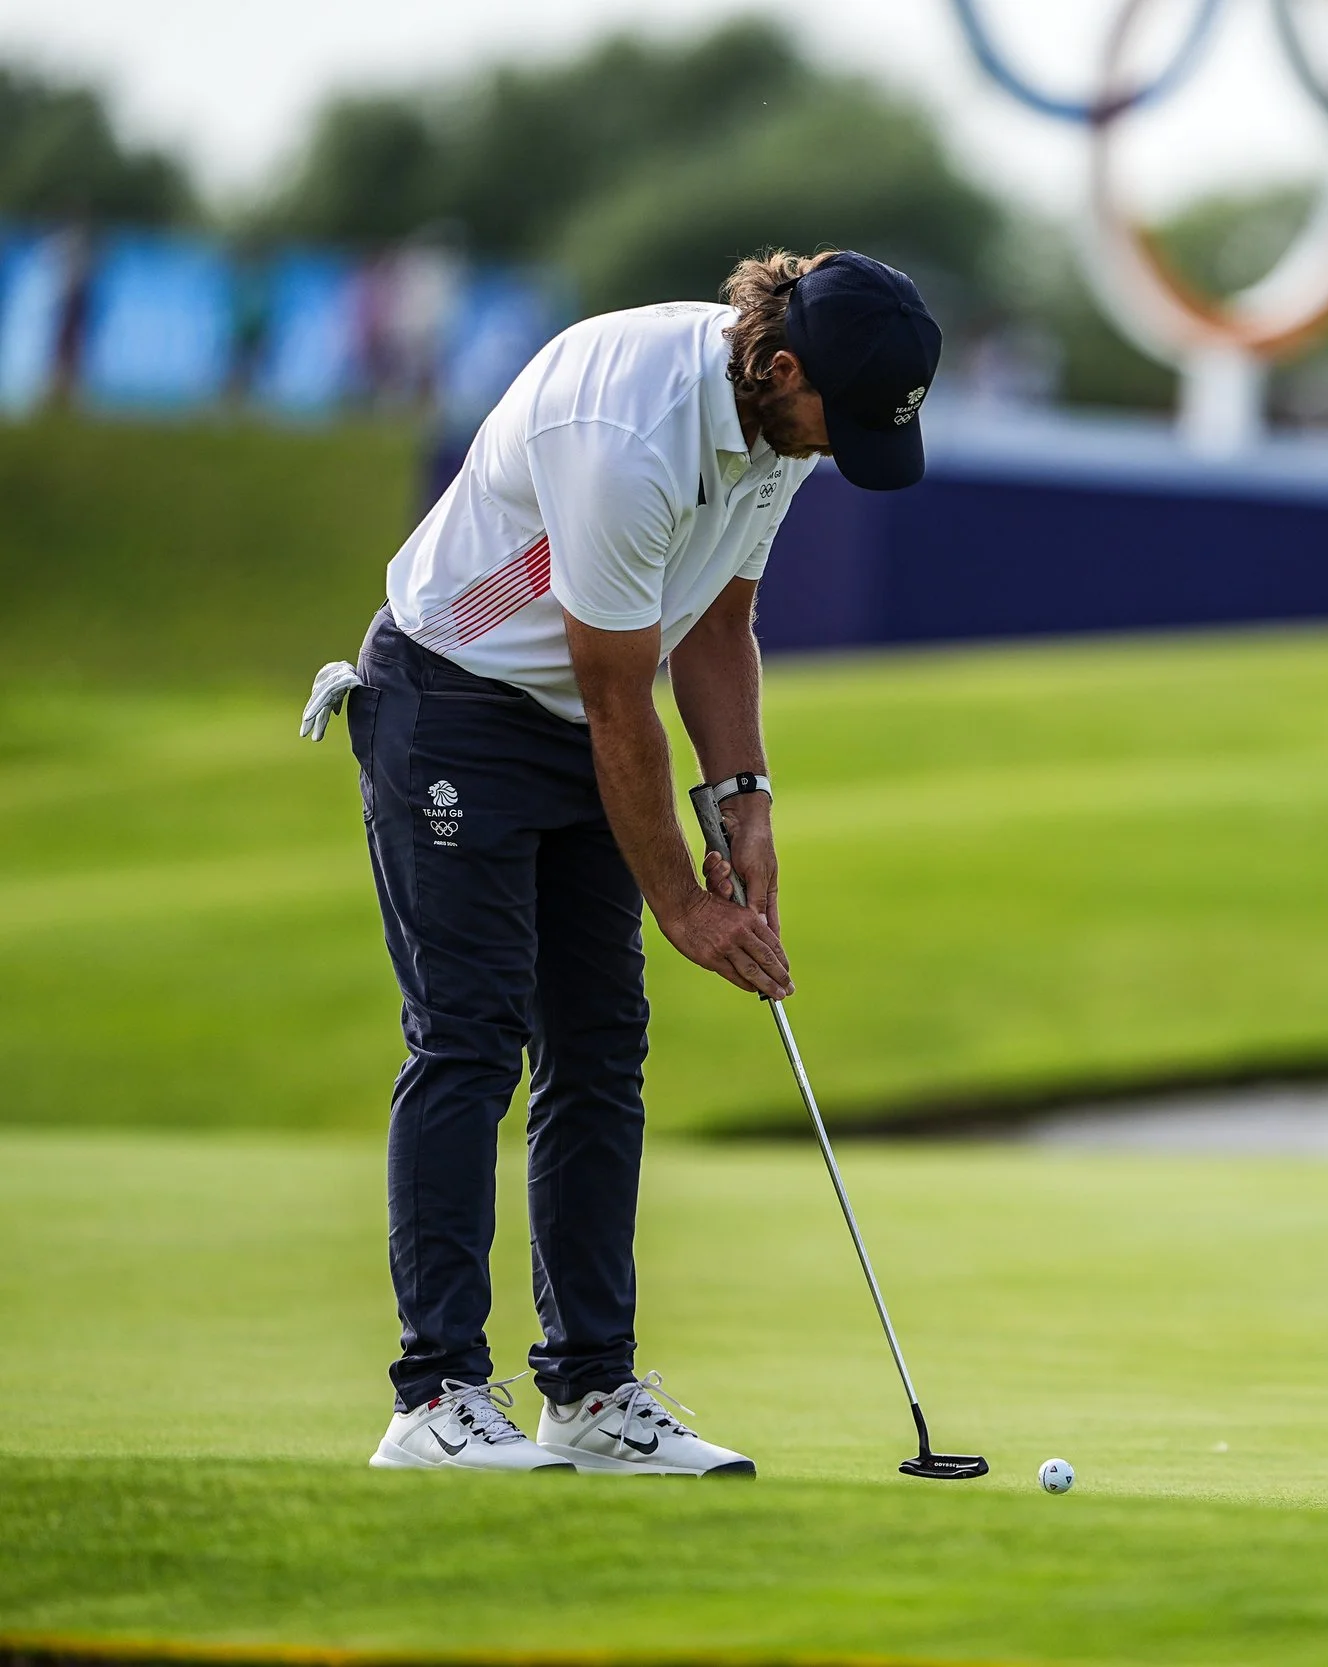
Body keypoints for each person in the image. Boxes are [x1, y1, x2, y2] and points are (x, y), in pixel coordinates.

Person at [306, 248, 941, 1474]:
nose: (832, 449)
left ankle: (589, 1392)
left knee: (599, 1050)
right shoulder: (629, 424)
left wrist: (744, 801)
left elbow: (716, 622)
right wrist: (683, 906)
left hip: (575, 717)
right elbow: (614, 698)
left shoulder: (778, 426)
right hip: (456, 701)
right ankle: (433, 1395)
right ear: (781, 364)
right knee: (470, 1035)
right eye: (835, 421)